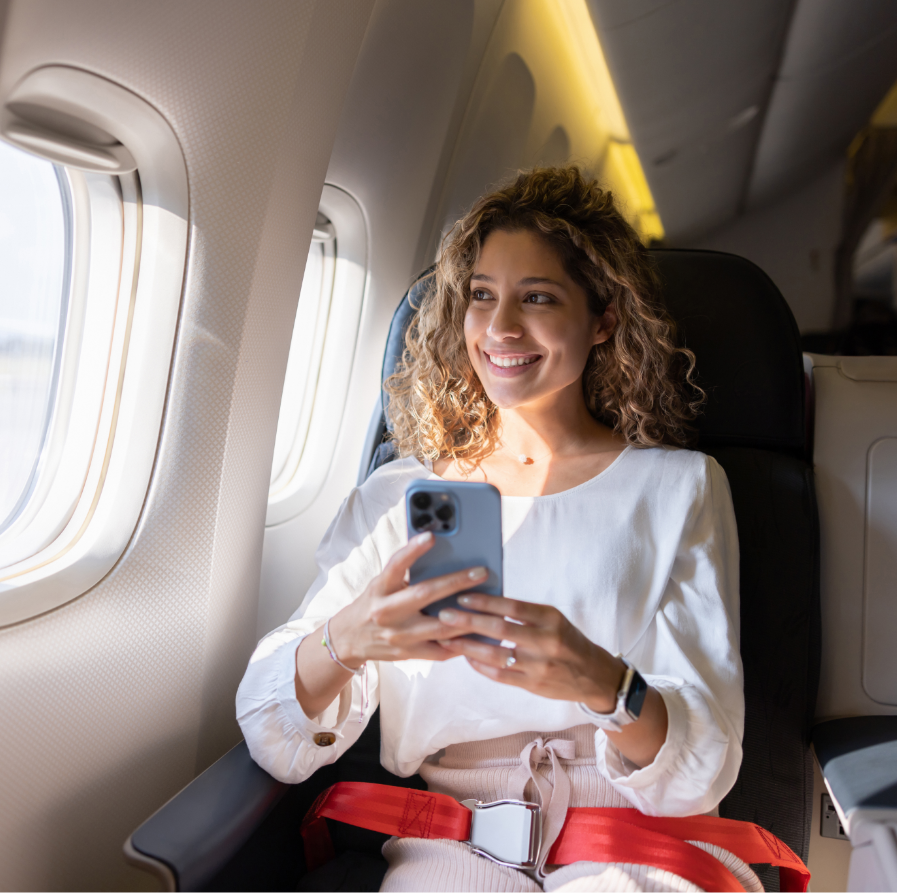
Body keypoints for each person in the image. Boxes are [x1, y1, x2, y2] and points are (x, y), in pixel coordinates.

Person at [237, 167, 751, 892]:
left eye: (536, 297)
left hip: (631, 832)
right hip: (454, 837)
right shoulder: (401, 495)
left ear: (601, 319)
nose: (501, 327)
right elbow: (272, 734)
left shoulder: (678, 488)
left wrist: (602, 683)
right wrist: (349, 637)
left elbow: (699, 770)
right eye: (482, 296)